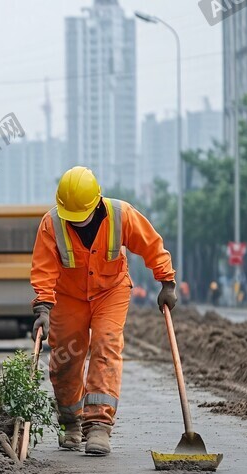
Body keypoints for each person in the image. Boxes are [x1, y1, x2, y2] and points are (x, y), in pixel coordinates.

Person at [31, 166, 176, 456]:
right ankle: (70, 422)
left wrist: (167, 281)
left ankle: (98, 425)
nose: (76, 223)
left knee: (106, 345)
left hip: (110, 291)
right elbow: (44, 268)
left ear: (97, 202)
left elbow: (151, 245)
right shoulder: (52, 223)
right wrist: (43, 307)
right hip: (68, 296)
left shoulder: (122, 215)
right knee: (66, 358)